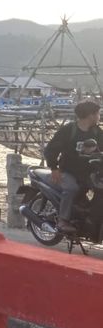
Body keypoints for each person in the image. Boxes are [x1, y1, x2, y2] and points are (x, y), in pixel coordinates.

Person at [44, 99, 103, 233]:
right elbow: (50, 150)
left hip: (89, 173)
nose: (99, 116)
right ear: (90, 115)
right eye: (98, 114)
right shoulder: (69, 130)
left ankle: (90, 219)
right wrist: (54, 168)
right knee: (71, 188)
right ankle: (62, 220)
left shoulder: (97, 132)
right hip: (68, 172)